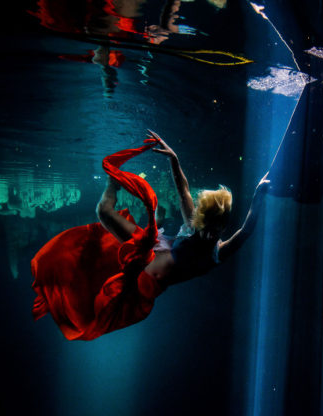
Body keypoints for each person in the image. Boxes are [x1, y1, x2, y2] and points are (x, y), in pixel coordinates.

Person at [31, 130, 270, 340]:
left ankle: (146, 212)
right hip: (146, 249)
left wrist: (259, 195)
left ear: (220, 227)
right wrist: (174, 159)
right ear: (202, 220)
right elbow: (183, 189)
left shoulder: (217, 252)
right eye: (205, 225)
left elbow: (246, 231)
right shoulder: (192, 225)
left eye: (213, 229)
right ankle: (113, 181)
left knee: (95, 303)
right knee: (104, 212)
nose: (207, 232)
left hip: (141, 284)